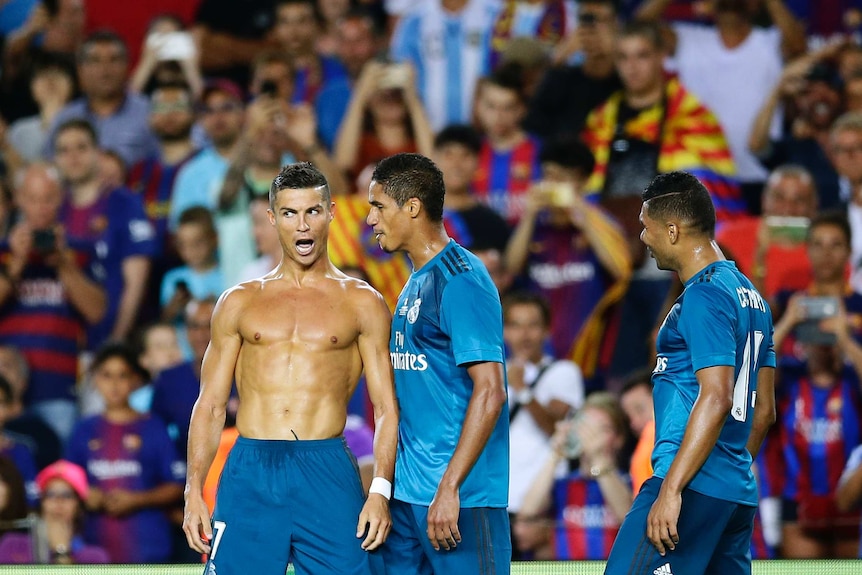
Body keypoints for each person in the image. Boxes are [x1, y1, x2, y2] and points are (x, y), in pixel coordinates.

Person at [182, 162, 398, 575]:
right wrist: (194, 490)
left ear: (331, 212)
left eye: (312, 212)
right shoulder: (237, 301)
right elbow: (209, 405)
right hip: (250, 469)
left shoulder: (363, 302)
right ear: (271, 218)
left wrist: (381, 491)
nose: (302, 225)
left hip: (326, 468)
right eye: (289, 213)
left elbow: (386, 407)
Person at [604, 171, 776, 575]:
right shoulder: (752, 298)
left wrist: (672, 488)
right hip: (733, 493)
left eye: (646, 228)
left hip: (689, 484)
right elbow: (763, 410)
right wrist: (727, 473)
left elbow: (716, 396)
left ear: (673, 230)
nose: (643, 239)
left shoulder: (704, 295)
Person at [366, 153, 511, 573]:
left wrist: (449, 487)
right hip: (411, 499)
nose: (371, 219)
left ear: (412, 207)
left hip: (460, 501)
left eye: (378, 206)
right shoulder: (415, 281)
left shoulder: (462, 279)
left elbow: (492, 391)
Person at [0, 459, 109, 564]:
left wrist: (61, 552)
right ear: (42, 503)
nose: (58, 501)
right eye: (50, 494)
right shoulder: (12, 545)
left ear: (79, 508)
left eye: (67, 495)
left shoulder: (94, 557)